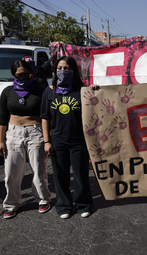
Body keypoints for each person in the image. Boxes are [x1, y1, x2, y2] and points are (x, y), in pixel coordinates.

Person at [40, 56, 94, 219]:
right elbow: (44, 118)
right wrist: (47, 141)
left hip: (78, 141)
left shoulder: (83, 90)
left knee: (80, 175)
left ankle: (83, 204)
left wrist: (95, 89)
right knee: (60, 175)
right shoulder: (49, 91)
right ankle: (64, 206)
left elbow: (96, 106)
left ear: (74, 71)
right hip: (57, 141)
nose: (63, 72)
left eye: (67, 69)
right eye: (60, 69)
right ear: (55, 71)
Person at [0, 60, 51, 219]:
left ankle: (43, 199)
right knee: (11, 172)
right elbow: (2, 118)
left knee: (39, 169)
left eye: (26, 74)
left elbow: (46, 116)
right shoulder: (7, 92)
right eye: (19, 75)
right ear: (14, 74)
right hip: (13, 133)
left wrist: (47, 139)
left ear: (32, 73)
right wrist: (0, 140)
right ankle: (12, 203)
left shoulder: (41, 91)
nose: (23, 77)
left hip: (36, 132)